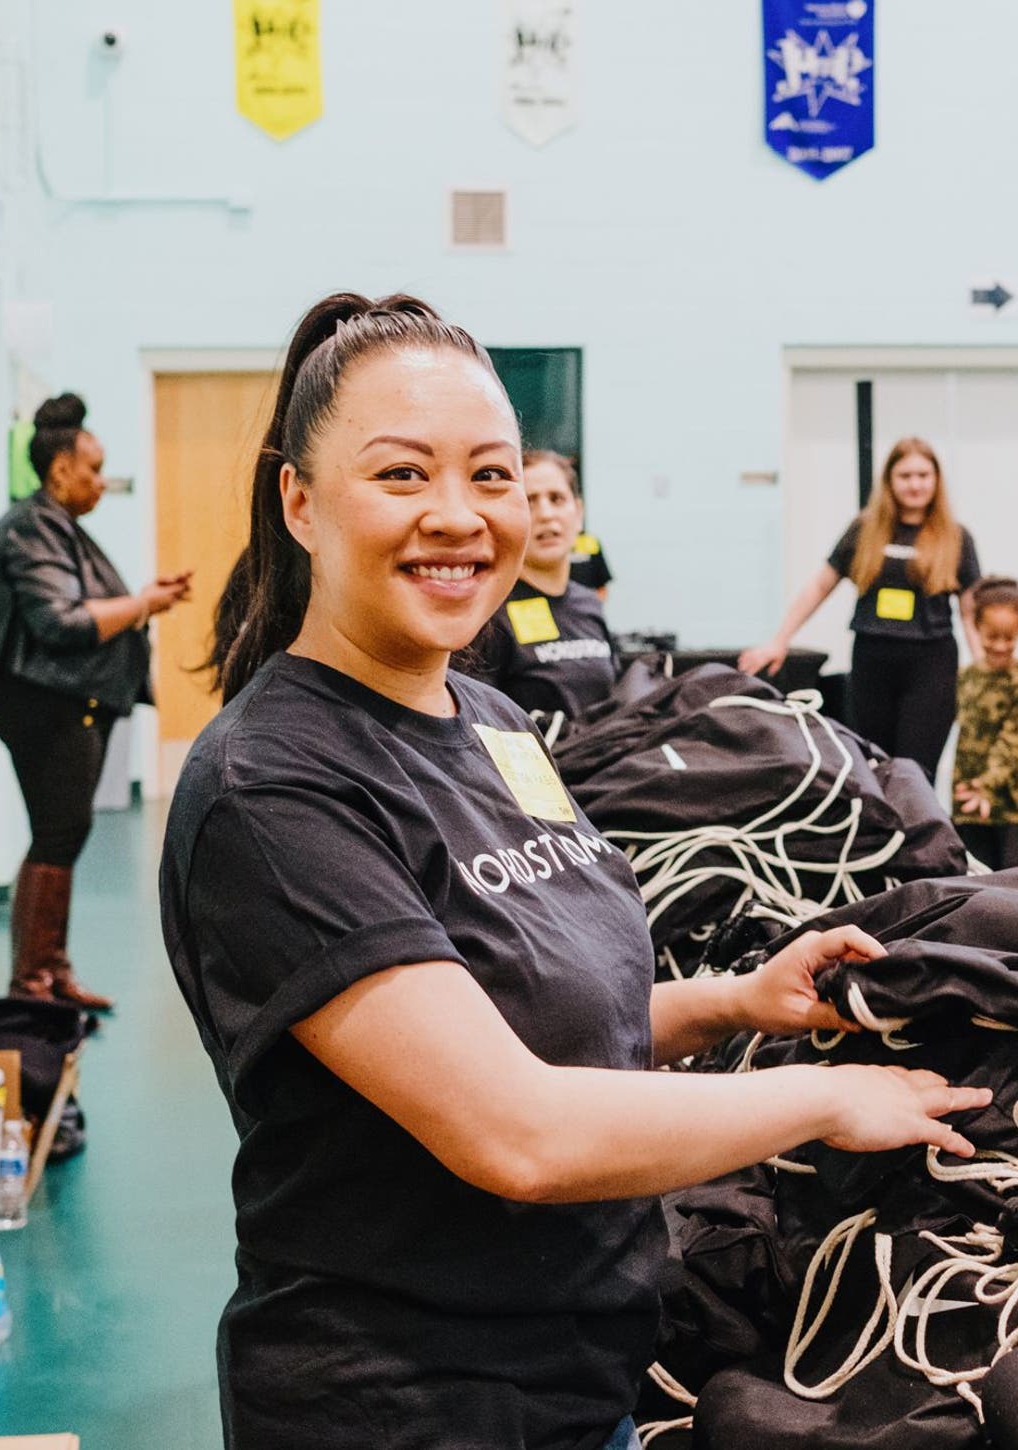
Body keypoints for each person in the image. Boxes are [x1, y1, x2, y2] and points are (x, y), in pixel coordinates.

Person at [158, 296, 989, 1450]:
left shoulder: (493, 724)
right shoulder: (272, 789)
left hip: (582, 1377)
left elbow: (527, 1014)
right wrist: (826, 1095)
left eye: (490, 475)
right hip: (408, 1407)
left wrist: (727, 1003)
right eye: (402, 475)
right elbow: (516, 1127)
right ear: (298, 500)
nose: (457, 516)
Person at [0, 392, 191, 1010]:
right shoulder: (33, 528)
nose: (100, 482)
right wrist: (143, 604)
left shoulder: (56, 528)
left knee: (64, 833)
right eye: (92, 470)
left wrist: (144, 597)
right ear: (61, 470)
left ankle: (50, 972)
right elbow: (61, 624)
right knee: (58, 833)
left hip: (64, 704)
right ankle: (32, 983)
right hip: (44, 706)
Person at [739, 437, 981, 781]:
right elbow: (820, 586)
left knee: (915, 772)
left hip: (931, 664)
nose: (915, 484)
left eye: (923, 475)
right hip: (872, 660)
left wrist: (987, 672)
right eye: (906, 475)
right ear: (890, 481)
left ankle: (917, 833)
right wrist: (779, 640)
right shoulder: (865, 529)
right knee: (872, 766)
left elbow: (971, 613)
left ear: (936, 480)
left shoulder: (956, 537)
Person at [467, 448, 617, 719]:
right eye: (530, 501)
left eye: (557, 499)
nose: (546, 514)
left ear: (578, 512)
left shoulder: (589, 603)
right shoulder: (488, 611)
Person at [951, 576, 1018, 869]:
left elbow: (1012, 742)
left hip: (1009, 808)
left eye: (1010, 638)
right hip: (968, 803)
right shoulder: (966, 678)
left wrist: (986, 785)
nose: (1001, 646)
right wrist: (969, 788)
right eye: (992, 637)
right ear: (976, 627)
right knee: (974, 878)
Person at [569, 524, 613, 597]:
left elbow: (601, 586)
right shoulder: (553, 545)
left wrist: (593, 606)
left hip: (587, 602)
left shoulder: (591, 543)